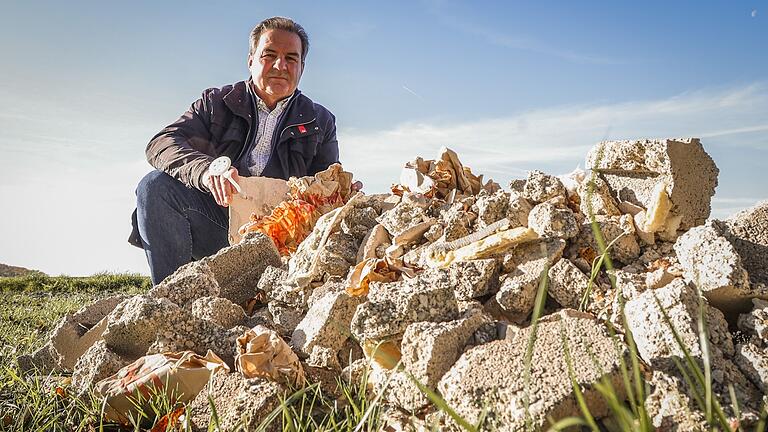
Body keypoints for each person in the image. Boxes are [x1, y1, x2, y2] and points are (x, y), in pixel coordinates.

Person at [129, 17, 339, 285]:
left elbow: (326, 185)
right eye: (269, 55)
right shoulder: (216, 102)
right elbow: (162, 142)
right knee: (154, 186)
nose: (280, 66)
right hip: (218, 223)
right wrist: (206, 171)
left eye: (291, 58)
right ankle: (171, 299)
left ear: (302, 67)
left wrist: (342, 191)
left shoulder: (320, 121)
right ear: (251, 59)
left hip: (280, 238)